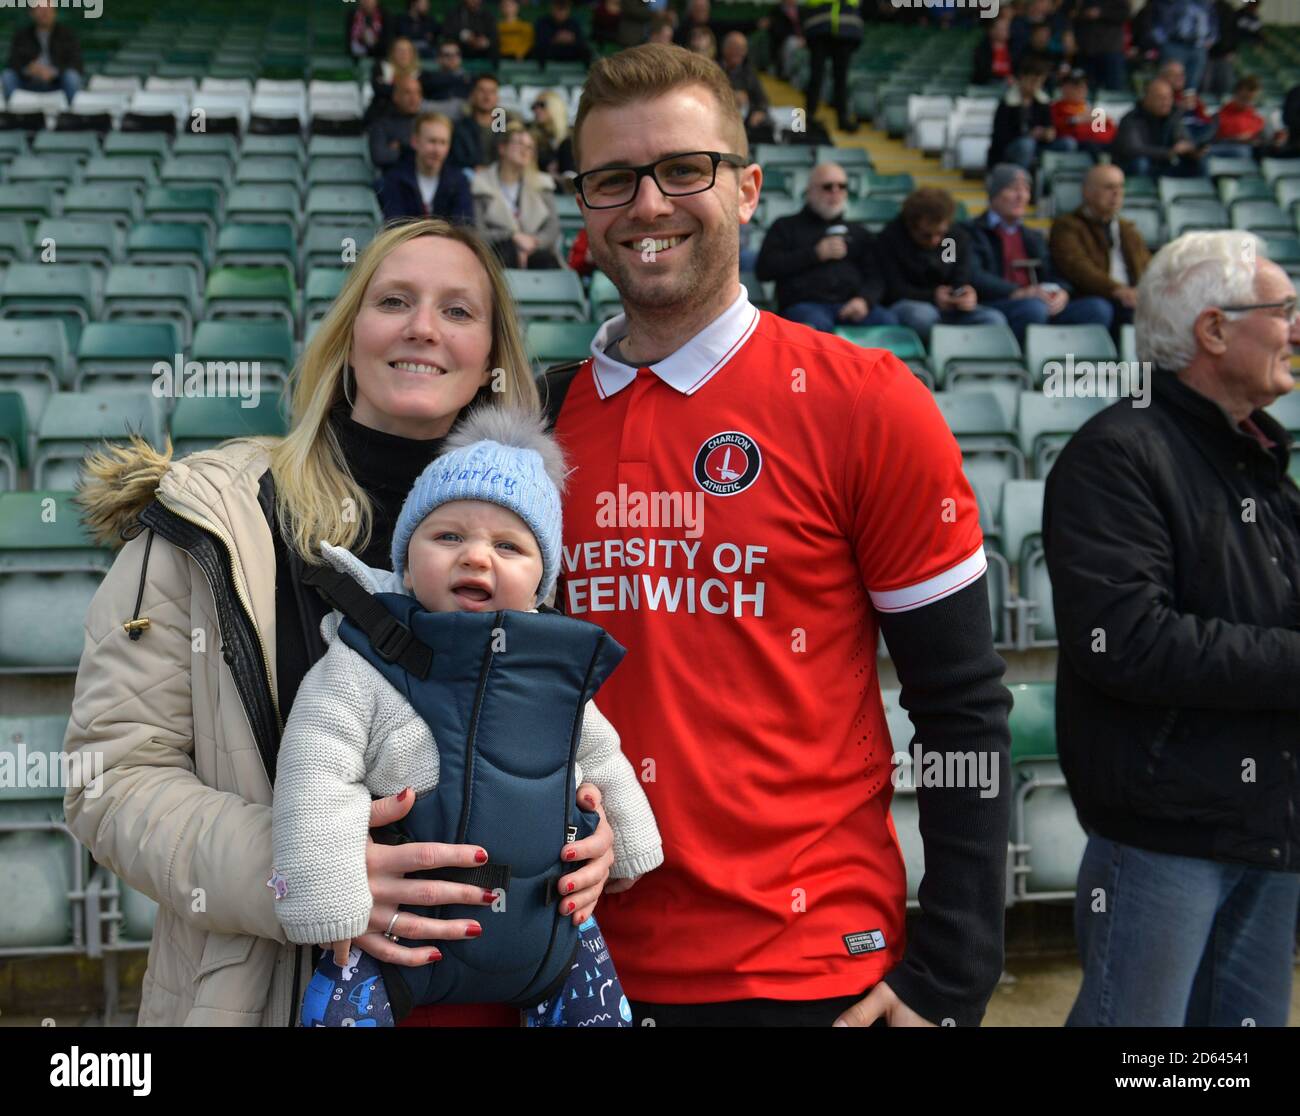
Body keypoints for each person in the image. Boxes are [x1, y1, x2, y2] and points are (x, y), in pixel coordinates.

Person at [549, 43, 1012, 1028]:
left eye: (684, 169)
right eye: (613, 179)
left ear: (749, 187)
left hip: (810, 973)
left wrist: (951, 971)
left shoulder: (868, 404)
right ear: (583, 206)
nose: (648, 203)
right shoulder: (537, 427)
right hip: (576, 966)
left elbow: (961, 705)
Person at [63, 217, 620, 1027]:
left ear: (495, 359)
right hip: (274, 993)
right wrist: (306, 877)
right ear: (348, 333)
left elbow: (564, 736)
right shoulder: (212, 513)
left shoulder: (533, 531)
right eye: (394, 300)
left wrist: (588, 834)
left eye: (459, 311)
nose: (423, 327)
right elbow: (109, 778)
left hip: (504, 995)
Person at [272, 409, 664, 1028]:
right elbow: (315, 772)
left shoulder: (552, 668)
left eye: (507, 546)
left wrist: (631, 847)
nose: (476, 558)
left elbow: (599, 753)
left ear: (542, 584)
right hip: (394, 940)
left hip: (549, 932)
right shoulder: (363, 662)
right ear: (406, 562)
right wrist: (325, 898)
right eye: (448, 537)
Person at [1043, 230, 1300, 1027]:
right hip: (1166, 834)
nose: (1296, 328)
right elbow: (1131, 643)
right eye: (1284, 310)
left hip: (1268, 825)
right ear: (1213, 330)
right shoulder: (1117, 455)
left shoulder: (1256, 459)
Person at [965, 164, 1113, 341]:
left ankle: (1076, 365)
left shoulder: (1033, 236)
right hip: (998, 302)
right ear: (994, 194)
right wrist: (1019, 292)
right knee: (1033, 308)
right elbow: (974, 275)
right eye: (1013, 189)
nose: (1021, 197)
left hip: (1038, 304)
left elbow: (1055, 273)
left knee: (1097, 308)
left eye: (1026, 190)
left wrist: (1061, 292)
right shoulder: (971, 231)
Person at [755, 162, 899, 331]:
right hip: (805, 306)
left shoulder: (859, 232)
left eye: (842, 186)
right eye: (827, 187)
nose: (835, 192)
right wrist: (815, 254)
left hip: (851, 305)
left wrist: (864, 300)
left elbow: (876, 277)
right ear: (810, 191)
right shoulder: (785, 226)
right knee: (818, 328)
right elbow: (765, 269)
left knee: (889, 321)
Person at [877, 187, 1008, 341]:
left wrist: (963, 294)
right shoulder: (890, 239)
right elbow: (893, 289)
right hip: (911, 305)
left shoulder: (952, 238)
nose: (935, 240)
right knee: (923, 316)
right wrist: (932, 296)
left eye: (940, 234)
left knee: (994, 319)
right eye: (926, 235)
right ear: (910, 226)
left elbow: (959, 275)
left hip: (949, 308)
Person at [1049, 163, 1152, 328]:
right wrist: (1117, 290)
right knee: (1102, 309)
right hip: (1093, 297)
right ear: (1087, 192)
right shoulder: (1067, 226)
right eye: (1109, 187)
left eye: (1120, 187)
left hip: (1130, 298)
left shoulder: (1128, 229)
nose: (1117, 193)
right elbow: (1077, 267)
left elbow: (1147, 266)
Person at [473, 125, 563, 270]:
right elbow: (476, 232)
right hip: (496, 256)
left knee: (544, 260)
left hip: (537, 253)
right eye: (520, 143)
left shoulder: (542, 184)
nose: (525, 150)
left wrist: (533, 243)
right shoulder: (481, 184)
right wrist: (512, 236)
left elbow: (553, 229)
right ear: (502, 148)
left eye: (530, 147)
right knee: (505, 254)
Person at [378, 112, 474, 223]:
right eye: (432, 141)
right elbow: (394, 225)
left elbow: (463, 226)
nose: (437, 150)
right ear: (415, 142)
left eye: (443, 143)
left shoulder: (459, 181)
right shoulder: (395, 180)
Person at [990, 57, 1074, 169]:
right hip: (1011, 149)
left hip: (1038, 146)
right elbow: (999, 138)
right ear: (1021, 78)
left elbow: (1049, 126)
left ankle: (1054, 180)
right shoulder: (1007, 103)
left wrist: (1048, 134)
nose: (1036, 85)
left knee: (1068, 143)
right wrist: (1029, 135)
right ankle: (1022, 179)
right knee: (1026, 144)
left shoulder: (1043, 101)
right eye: (1033, 81)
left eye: (1040, 82)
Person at [1113, 76, 1204, 177]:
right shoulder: (1131, 119)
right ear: (1147, 98)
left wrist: (1192, 150)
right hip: (1137, 168)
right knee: (1140, 163)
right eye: (1161, 98)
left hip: (1164, 165)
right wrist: (1169, 152)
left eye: (1169, 97)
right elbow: (1133, 149)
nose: (1167, 102)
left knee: (1198, 161)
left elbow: (1183, 138)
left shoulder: (1173, 115)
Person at [1, 0, 83, 103]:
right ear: (32, 13)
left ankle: (71, 115)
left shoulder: (67, 35)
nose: (45, 12)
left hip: (56, 82)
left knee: (72, 77)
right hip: (28, 81)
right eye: (40, 9)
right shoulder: (22, 36)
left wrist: (54, 72)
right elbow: (12, 62)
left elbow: (76, 63)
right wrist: (29, 69)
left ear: (54, 12)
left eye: (48, 9)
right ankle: (11, 115)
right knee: (7, 76)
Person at [803, 0, 865, 132]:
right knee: (816, 76)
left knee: (841, 79)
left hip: (845, 29)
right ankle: (808, 117)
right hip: (819, 28)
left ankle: (843, 119)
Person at [1148, 0, 1218, 93]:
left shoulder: (1204, 3)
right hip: (1174, 43)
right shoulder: (1166, 2)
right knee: (1171, 80)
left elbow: (1213, 21)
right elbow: (1155, 20)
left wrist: (1211, 38)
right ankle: (1168, 104)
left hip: (1198, 46)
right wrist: (1162, 41)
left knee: (1193, 85)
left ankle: (1188, 105)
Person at [719, 32, 770, 142]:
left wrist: (759, 112)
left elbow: (763, 101)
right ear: (725, 49)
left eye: (743, 48)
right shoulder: (714, 70)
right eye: (736, 47)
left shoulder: (749, 73)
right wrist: (731, 96)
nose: (739, 52)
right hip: (720, 124)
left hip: (745, 128)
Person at [449, 74, 507, 171]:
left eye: (492, 91)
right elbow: (456, 161)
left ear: (497, 97)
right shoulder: (459, 128)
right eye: (482, 91)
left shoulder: (506, 127)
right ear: (472, 95)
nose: (487, 96)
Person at [1070, 0, 1131, 93]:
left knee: (1113, 89)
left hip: (1110, 49)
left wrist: (1101, 13)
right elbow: (1074, 16)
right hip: (1087, 50)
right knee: (1087, 89)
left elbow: (1124, 14)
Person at [368, 74, 425, 170]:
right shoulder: (380, 125)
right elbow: (380, 157)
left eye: (418, 93)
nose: (414, 98)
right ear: (396, 96)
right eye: (407, 93)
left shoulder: (428, 123)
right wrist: (417, 149)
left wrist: (400, 147)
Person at [1050, 69, 1115, 153]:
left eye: (1084, 85)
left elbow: (1110, 132)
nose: (1082, 89)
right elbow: (1056, 128)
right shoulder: (1055, 108)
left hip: (1098, 145)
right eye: (1076, 86)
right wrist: (1075, 120)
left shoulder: (1091, 109)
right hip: (1079, 148)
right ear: (1064, 88)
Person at [530, 90, 576, 179]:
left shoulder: (571, 137)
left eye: (541, 105)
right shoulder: (532, 137)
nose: (536, 110)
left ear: (555, 107)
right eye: (534, 106)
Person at [536, 0, 592, 65]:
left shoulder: (574, 23)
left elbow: (581, 40)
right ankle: (542, 72)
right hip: (551, 51)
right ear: (552, 9)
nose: (561, 13)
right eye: (558, 9)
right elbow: (541, 40)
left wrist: (572, 38)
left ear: (568, 10)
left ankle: (586, 71)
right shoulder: (543, 22)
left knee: (586, 49)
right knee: (540, 49)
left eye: (563, 9)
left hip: (570, 52)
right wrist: (556, 38)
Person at [443, 0, 500, 64]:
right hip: (462, 55)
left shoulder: (488, 15)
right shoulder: (454, 14)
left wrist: (484, 42)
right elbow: (448, 33)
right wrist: (465, 37)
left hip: (485, 56)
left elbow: (494, 37)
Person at [373, 37, 423, 105]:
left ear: (413, 54)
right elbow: (379, 90)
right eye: (399, 50)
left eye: (408, 50)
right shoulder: (382, 68)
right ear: (392, 53)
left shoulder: (419, 73)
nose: (404, 54)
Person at [972, 17, 1015, 87]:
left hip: (1009, 84)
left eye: (1007, 28)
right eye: (1002, 29)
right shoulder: (983, 49)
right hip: (987, 84)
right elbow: (981, 72)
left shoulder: (1013, 48)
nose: (1007, 31)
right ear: (992, 31)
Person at [769, 0, 806, 81]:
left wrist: (803, 38)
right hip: (783, 42)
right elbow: (777, 31)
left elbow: (805, 27)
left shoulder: (801, 10)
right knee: (791, 43)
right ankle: (786, 74)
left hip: (803, 40)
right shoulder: (777, 10)